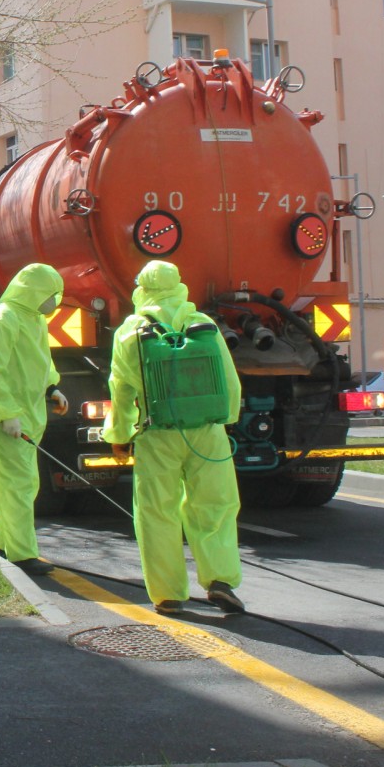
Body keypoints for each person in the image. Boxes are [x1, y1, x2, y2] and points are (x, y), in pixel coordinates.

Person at [103, 260, 244, 616]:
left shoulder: (130, 331)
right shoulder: (204, 324)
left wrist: (119, 434)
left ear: (142, 289)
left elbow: (121, 390)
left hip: (158, 433)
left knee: (157, 513)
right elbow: (229, 381)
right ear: (179, 285)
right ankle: (219, 581)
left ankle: (168, 595)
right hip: (208, 432)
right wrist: (224, 420)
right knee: (215, 508)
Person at [0, 263, 67, 577]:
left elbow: (41, 362)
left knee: (12, 485)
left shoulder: (35, 320)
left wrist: (52, 387)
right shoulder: (0, 320)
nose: (54, 301)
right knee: (19, 484)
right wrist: (5, 413)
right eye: (50, 294)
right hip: (4, 420)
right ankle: (24, 554)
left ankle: (0, 543)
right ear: (32, 290)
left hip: (28, 415)